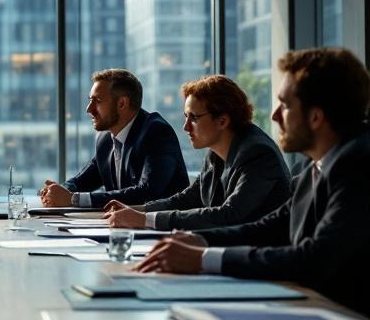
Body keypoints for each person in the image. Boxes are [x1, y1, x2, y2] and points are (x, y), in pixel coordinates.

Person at [136, 48, 370, 316]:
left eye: (285, 105)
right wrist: (198, 240)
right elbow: (271, 227)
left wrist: (203, 259)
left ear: (316, 117)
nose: (274, 116)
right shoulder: (313, 164)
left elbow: (315, 258)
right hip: (313, 310)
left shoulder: (358, 165)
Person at [104, 75, 290, 231]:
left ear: (223, 120)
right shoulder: (216, 152)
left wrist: (144, 220)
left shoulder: (258, 154)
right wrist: (138, 211)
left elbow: (229, 214)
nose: (185, 127)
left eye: (193, 118)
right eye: (186, 117)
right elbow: (189, 198)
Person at [39, 69, 188, 208]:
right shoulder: (105, 139)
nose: (89, 109)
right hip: (123, 227)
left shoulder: (156, 132)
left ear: (122, 103)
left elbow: (146, 192)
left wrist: (73, 199)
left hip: (163, 231)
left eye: (97, 101)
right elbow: (82, 180)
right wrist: (58, 191)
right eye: (90, 100)